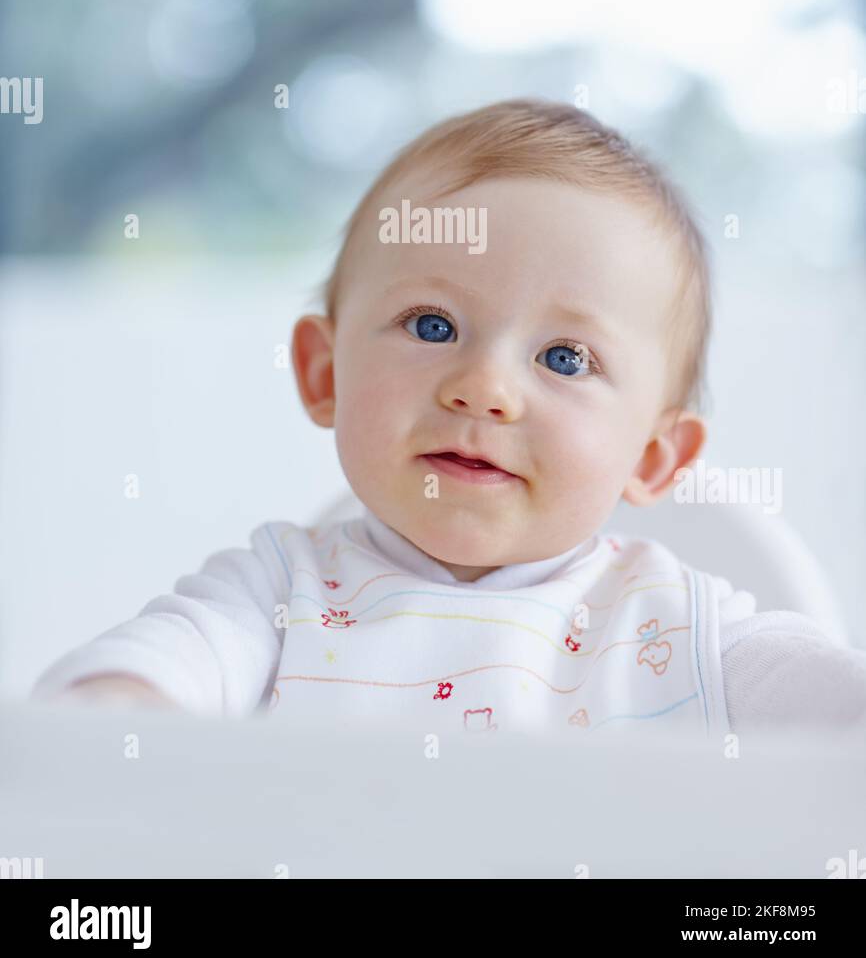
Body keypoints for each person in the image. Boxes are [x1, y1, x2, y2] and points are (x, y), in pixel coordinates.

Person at [30, 98, 866, 738]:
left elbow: (831, 708)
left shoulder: (687, 628)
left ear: (653, 454)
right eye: (434, 326)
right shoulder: (275, 594)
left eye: (565, 358)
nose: (485, 389)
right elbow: (148, 674)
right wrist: (117, 707)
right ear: (325, 373)